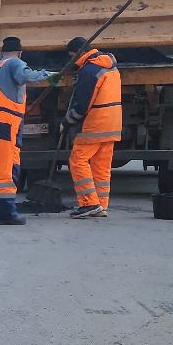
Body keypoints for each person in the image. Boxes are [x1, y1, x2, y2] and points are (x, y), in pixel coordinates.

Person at [0, 38, 53, 225]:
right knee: (6, 168)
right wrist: (50, 75)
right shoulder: (15, 63)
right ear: (20, 52)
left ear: (2, 52)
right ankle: (5, 214)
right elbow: (26, 75)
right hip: (2, 122)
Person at [62, 35, 124, 219]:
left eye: (72, 57)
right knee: (101, 166)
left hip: (96, 123)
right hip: (113, 122)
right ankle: (101, 205)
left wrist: (67, 121)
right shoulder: (110, 66)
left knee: (77, 160)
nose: (72, 61)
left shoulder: (89, 70)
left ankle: (89, 203)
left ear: (77, 53)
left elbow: (82, 105)